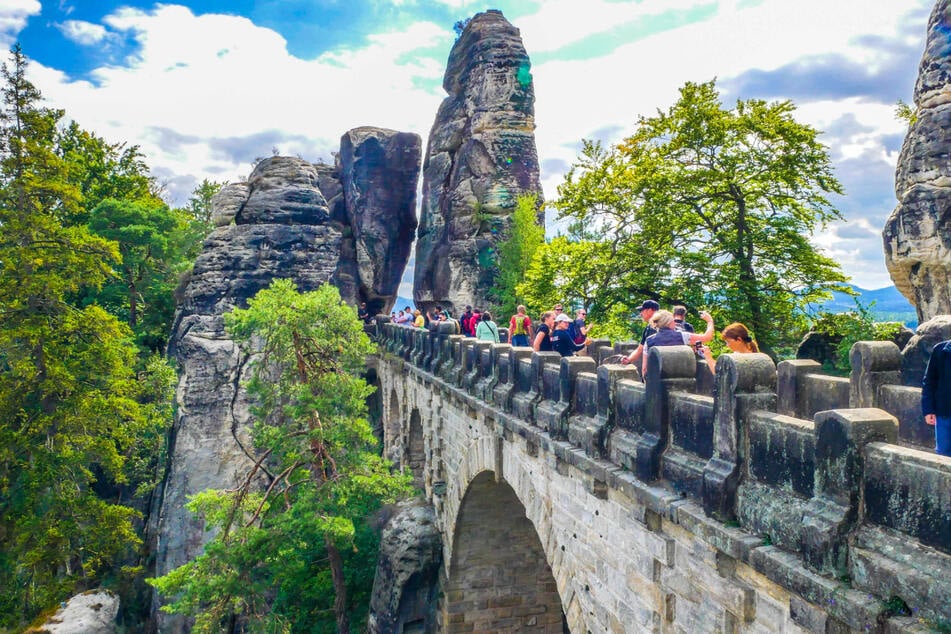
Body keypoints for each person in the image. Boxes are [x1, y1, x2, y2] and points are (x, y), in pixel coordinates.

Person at [640, 309, 714, 377]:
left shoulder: (649, 340)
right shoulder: (681, 336)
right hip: (680, 377)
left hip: (657, 380)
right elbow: (707, 337)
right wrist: (709, 321)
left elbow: (644, 368)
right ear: (669, 322)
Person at [922, 338, 951, 457]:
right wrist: (928, 409)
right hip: (944, 414)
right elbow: (929, 381)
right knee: (943, 455)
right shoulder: (940, 350)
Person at [621, 299, 660, 369]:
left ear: (650, 310)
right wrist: (628, 359)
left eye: (642, 311)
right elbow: (640, 349)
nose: (641, 314)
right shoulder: (648, 328)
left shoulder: (660, 326)